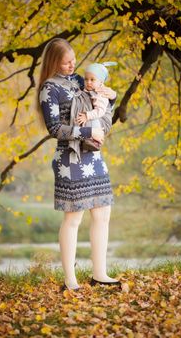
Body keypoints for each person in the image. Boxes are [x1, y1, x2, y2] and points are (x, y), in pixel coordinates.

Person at [36, 38, 120, 290]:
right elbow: (54, 129)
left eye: (73, 60)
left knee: (103, 213)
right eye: (66, 62)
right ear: (54, 62)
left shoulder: (80, 81)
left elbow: (100, 106)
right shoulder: (49, 89)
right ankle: (70, 280)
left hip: (92, 155)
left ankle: (100, 274)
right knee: (73, 218)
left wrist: (112, 99)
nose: (73, 65)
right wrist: (87, 134)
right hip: (69, 157)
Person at [77, 62, 117, 127]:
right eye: (86, 79)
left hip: (96, 123)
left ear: (101, 82)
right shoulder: (90, 89)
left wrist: (87, 116)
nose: (88, 82)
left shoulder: (101, 94)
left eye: (92, 80)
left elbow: (100, 111)